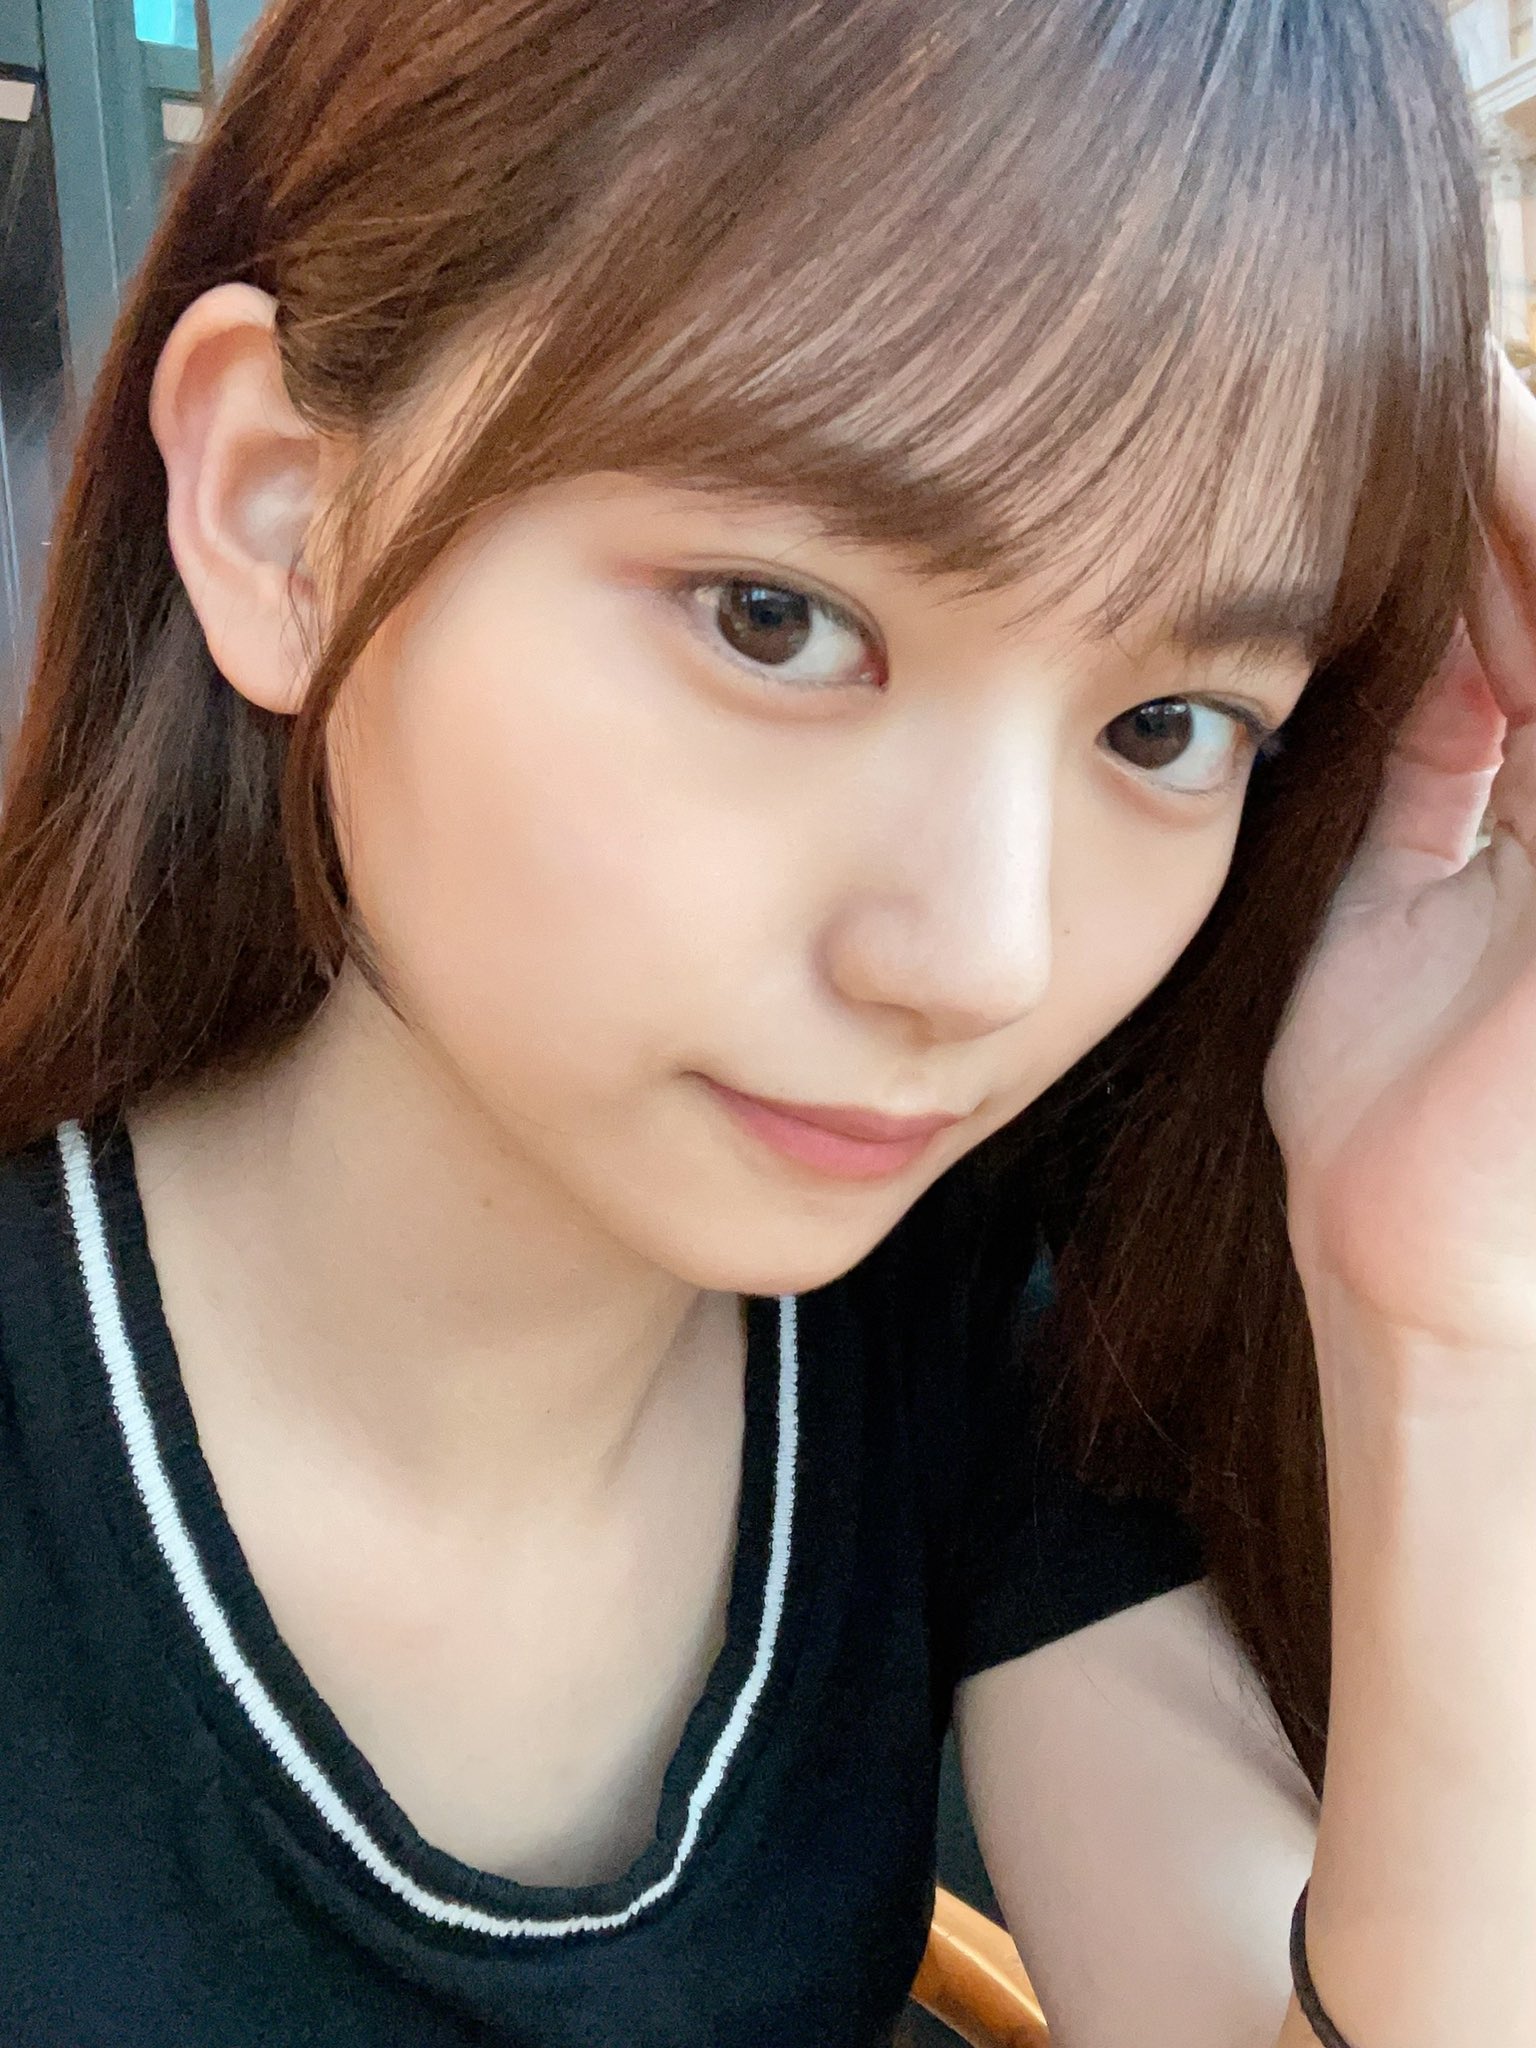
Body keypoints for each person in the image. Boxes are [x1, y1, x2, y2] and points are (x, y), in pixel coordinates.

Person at [0, 0, 1527, 2042]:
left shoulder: (955, 1333)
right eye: (775, 619)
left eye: (1167, 726)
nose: (982, 958)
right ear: (285, 511)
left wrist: (1444, 1316)